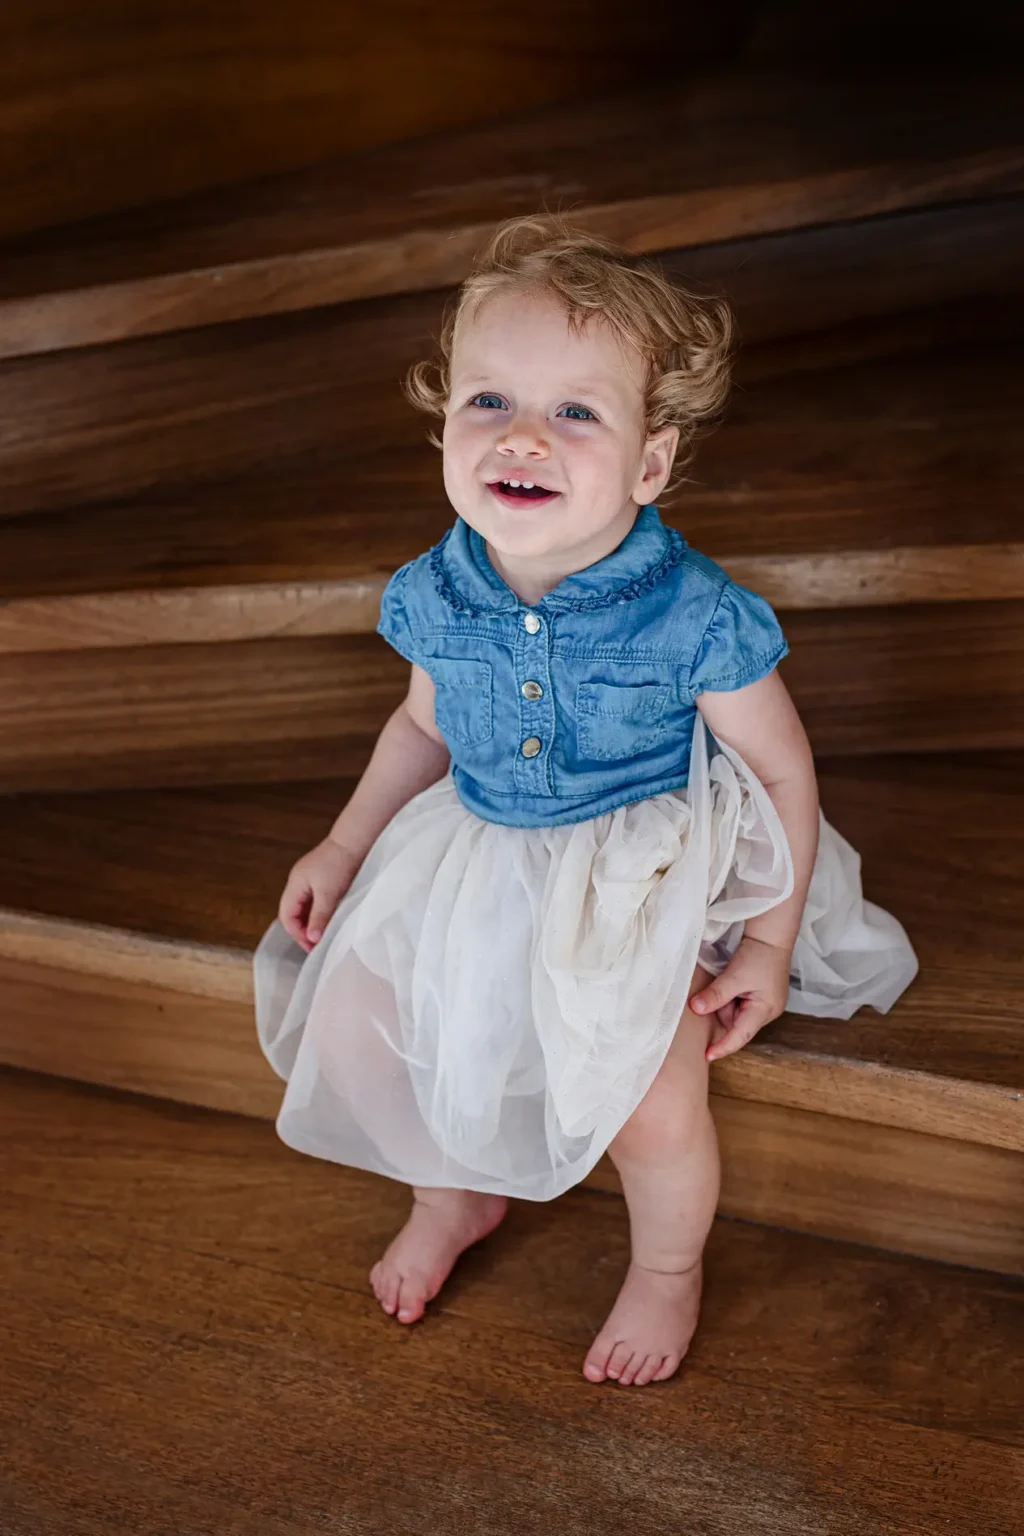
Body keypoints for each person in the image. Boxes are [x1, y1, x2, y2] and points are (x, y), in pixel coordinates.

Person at [254, 217, 918, 1389]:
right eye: (488, 401)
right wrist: (346, 840)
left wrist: (767, 940)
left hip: (631, 872)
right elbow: (422, 725)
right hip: (475, 843)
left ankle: (667, 1269)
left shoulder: (693, 614)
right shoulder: (436, 588)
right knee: (354, 1021)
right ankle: (448, 1192)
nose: (522, 435)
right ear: (445, 425)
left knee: (647, 1096)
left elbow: (777, 771)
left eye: (575, 412)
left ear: (649, 464)